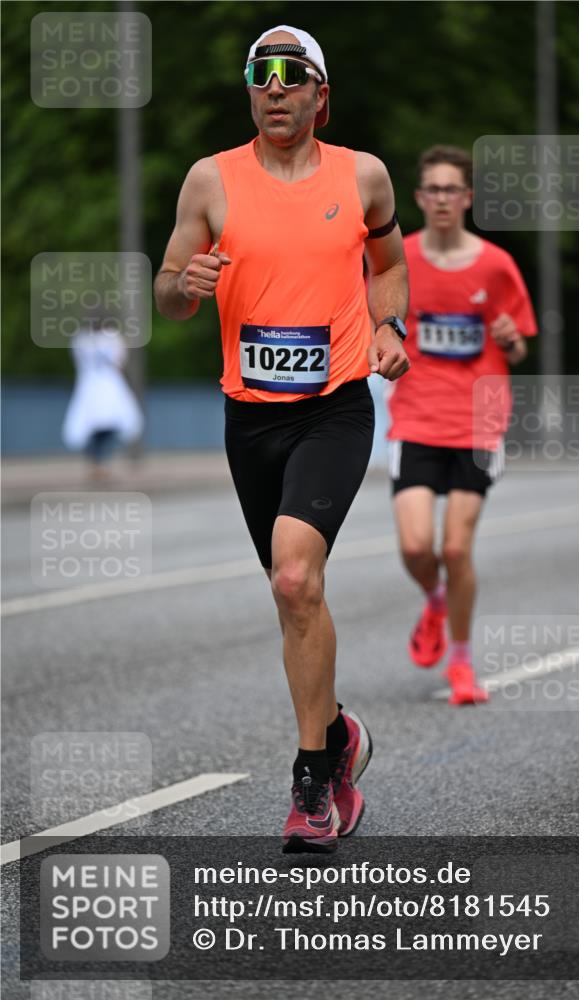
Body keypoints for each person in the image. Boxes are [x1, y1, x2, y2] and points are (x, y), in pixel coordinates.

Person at [154, 25, 409, 852]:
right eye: (261, 76)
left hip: (333, 405)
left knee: (297, 577)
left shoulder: (362, 176)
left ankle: (311, 783)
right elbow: (168, 291)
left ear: (319, 95)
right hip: (249, 415)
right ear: (250, 92)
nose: (275, 88)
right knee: (287, 589)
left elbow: (388, 266)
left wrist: (389, 326)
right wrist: (180, 286)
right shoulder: (210, 180)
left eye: (291, 76)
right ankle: (337, 733)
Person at [386, 145, 537, 705]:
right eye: (433, 189)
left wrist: (509, 340)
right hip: (417, 415)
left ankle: (463, 664)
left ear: (467, 197)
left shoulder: (496, 264)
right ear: (420, 198)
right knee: (416, 545)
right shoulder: (398, 260)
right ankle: (434, 599)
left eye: (453, 189)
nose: (443, 199)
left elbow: (519, 346)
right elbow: (377, 322)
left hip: (479, 420)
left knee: (456, 549)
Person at [62, 326, 143, 481]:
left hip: (98, 385)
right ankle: (97, 462)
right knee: (95, 427)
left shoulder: (86, 338)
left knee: (105, 426)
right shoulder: (95, 338)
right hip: (99, 385)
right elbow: (119, 361)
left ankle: (98, 462)